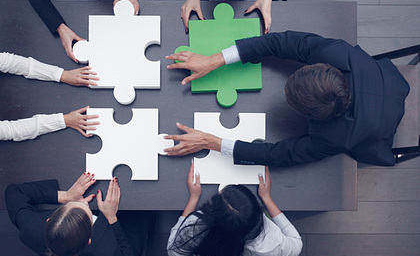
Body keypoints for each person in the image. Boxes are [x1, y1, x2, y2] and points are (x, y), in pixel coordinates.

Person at [164, 31, 410, 167]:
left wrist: (210, 141)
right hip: (385, 80)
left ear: (313, 119)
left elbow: (277, 155)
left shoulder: (335, 137)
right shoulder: (336, 53)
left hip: (380, 125)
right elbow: (277, 42)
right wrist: (215, 59)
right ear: (321, 67)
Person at [5, 173, 149, 256]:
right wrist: (110, 217)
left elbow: (13, 192)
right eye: (86, 209)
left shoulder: (31, 230)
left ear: (50, 221)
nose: (84, 202)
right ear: (89, 239)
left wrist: (65, 196)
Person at [167, 163, 302, 256]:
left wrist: (194, 198)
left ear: (211, 212)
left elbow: (173, 253)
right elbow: (296, 244)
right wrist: (267, 198)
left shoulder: (196, 226)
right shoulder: (269, 244)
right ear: (258, 214)